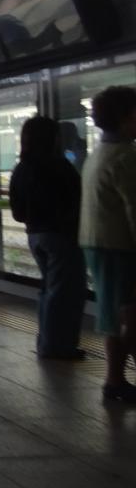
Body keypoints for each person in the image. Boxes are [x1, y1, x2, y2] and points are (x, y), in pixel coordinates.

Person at [9, 116, 86, 360]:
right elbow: (77, 201)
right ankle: (58, 347)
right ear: (52, 138)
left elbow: (17, 211)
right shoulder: (59, 167)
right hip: (61, 237)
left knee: (49, 290)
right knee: (64, 294)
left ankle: (46, 342)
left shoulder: (21, 168)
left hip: (35, 236)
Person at [79, 86, 136, 403]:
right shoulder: (126, 157)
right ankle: (114, 380)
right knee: (122, 317)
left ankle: (116, 380)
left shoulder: (98, 153)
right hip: (119, 247)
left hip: (99, 243)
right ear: (127, 118)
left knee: (120, 314)